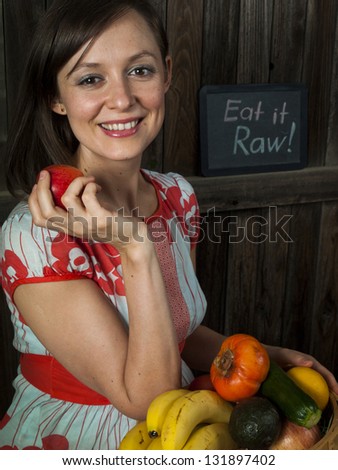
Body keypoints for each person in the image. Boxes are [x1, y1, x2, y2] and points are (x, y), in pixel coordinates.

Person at [0, 0, 337, 451]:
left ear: (167, 73)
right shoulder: (35, 233)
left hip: (189, 415)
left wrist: (266, 359)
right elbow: (147, 399)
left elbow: (179, 331)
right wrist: (135, 247)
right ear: (55, 99)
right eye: (90, 78)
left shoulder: (176, 196)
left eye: (140, 71)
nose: (121, 99)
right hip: (80, 439)